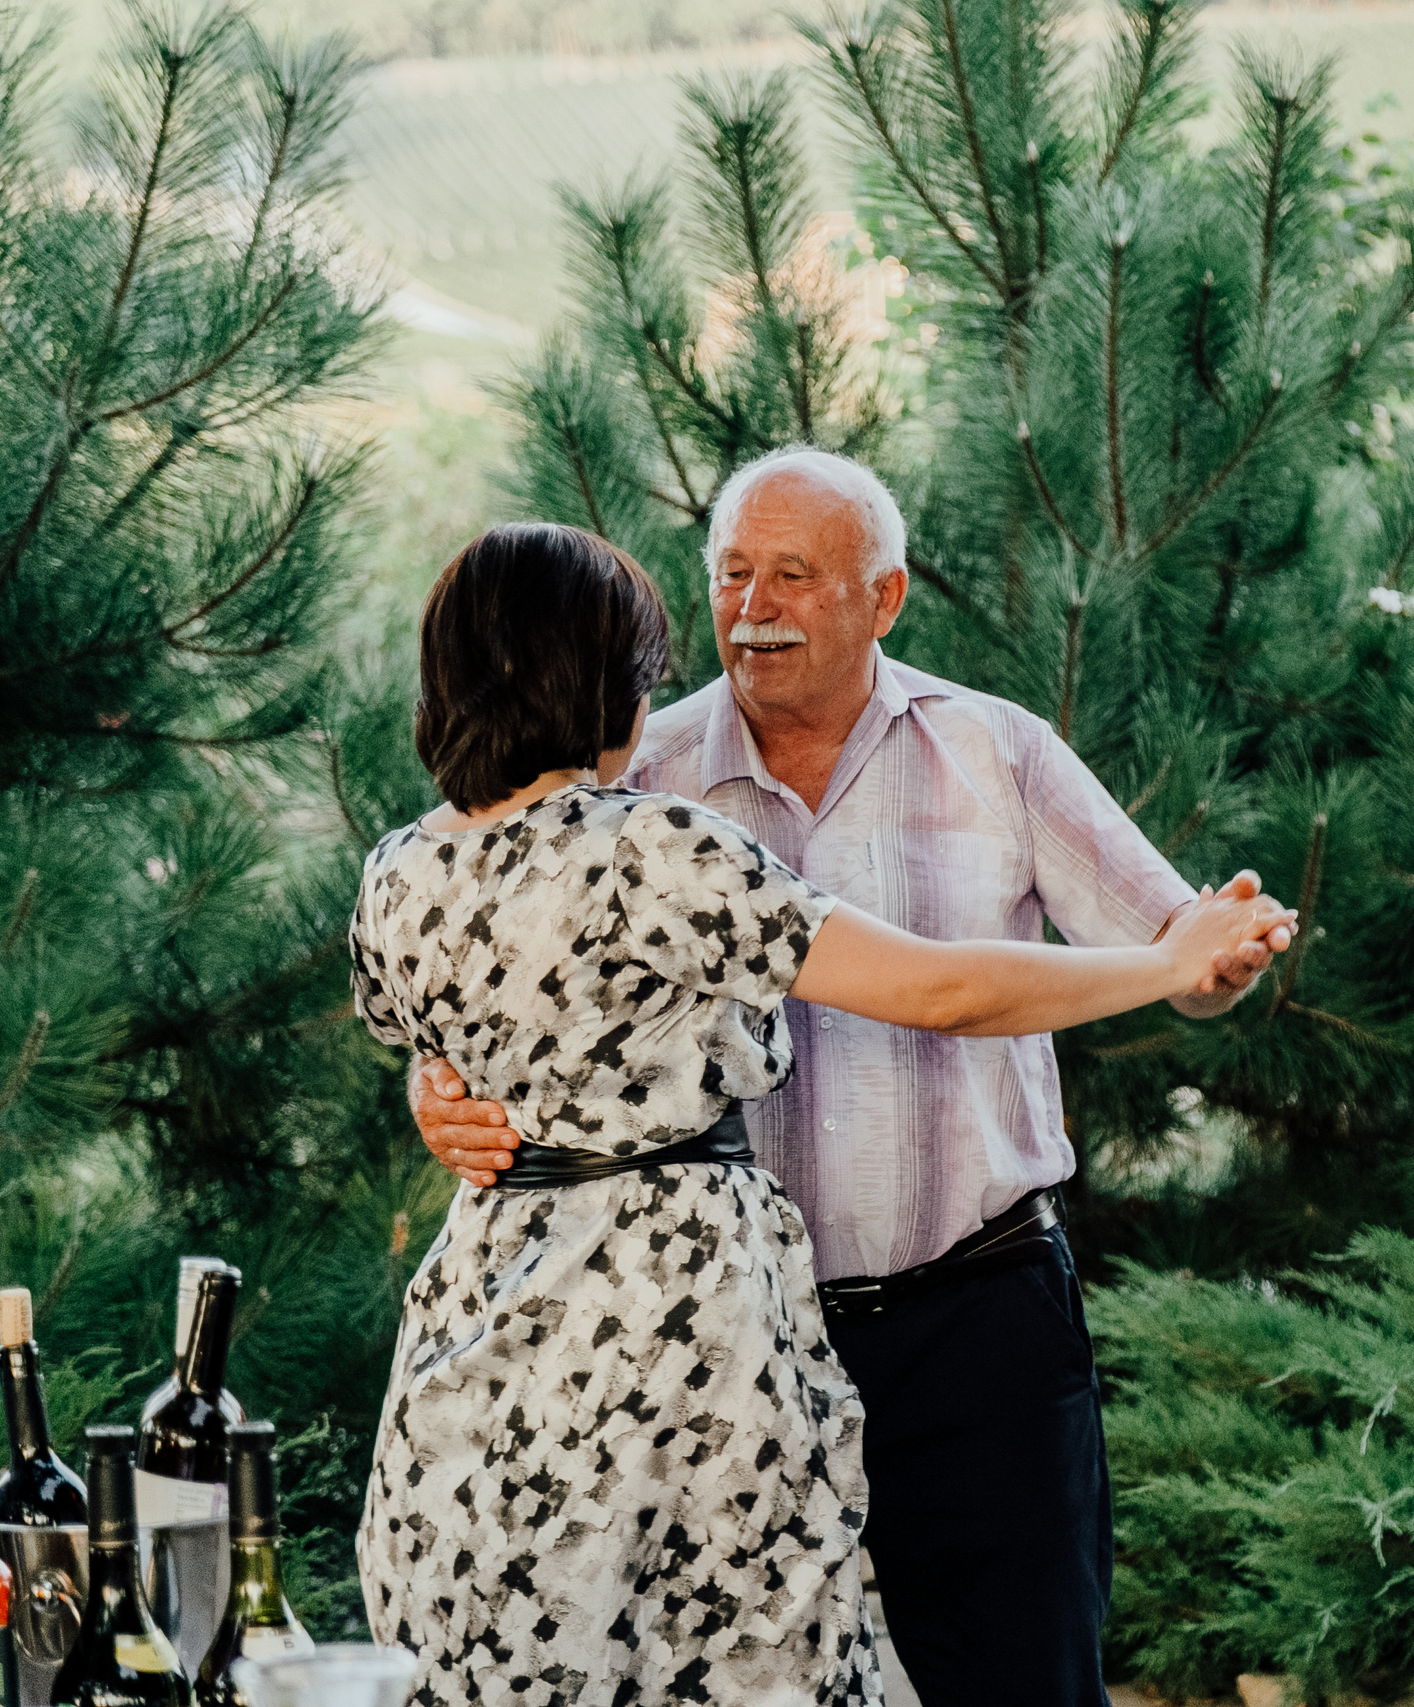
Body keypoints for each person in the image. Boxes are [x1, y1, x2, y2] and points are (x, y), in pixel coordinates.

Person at [351, 522, 1293, 1707]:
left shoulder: (397, 869)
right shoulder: (654, 839)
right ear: (595, 682)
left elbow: (448, 1026)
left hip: (499, 1341)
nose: (750, 608)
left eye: (792, 575)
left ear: (882, 594)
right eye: (728, 579)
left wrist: (453, 1089)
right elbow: (941, 989)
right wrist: (1164, 968)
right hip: (684, 1340)